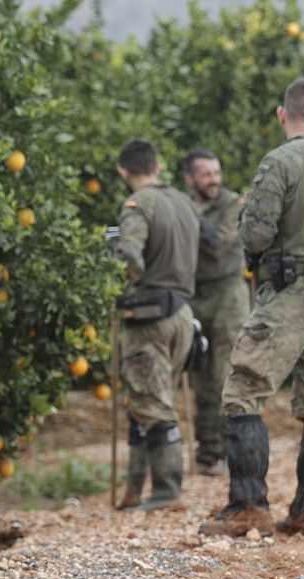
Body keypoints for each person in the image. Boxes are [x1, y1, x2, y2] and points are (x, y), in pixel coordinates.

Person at [201, 77, 304, 538]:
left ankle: (249, 506)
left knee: (244, 387)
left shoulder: (280, 161)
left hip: (293, 288)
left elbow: (254, 234)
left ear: (282, 114)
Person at [112, 140, 197, 511]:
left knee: (154, 405)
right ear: (158, 167)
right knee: (146, 402)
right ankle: (133, 489)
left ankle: (166, 492)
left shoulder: (138, 205)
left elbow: (129, 256)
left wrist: (115, 286)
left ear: (123, 173)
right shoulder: (183, 202)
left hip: (148, 318)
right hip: (182, 314)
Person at [182, 150, 250, 476]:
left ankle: (229, 451)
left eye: (216, 172)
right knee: (200, 375)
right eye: (206, 174)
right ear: (190, 178)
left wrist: (187, 216)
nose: (213, 179)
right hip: (194, 295)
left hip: (228, 295)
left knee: (226, 373)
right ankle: (207, 451)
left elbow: (219, 242)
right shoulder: (183, 203)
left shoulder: (234, 204)